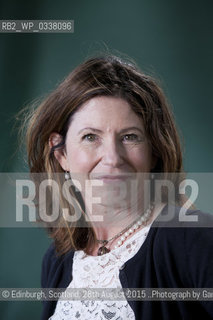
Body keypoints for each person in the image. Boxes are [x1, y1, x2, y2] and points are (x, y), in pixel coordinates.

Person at [25, 54, 213, 319]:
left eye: (130, 137)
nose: (112, 158)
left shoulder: (192, 237)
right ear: (61, 153)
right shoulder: (57, 260)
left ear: (154, 151)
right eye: (90, 137)